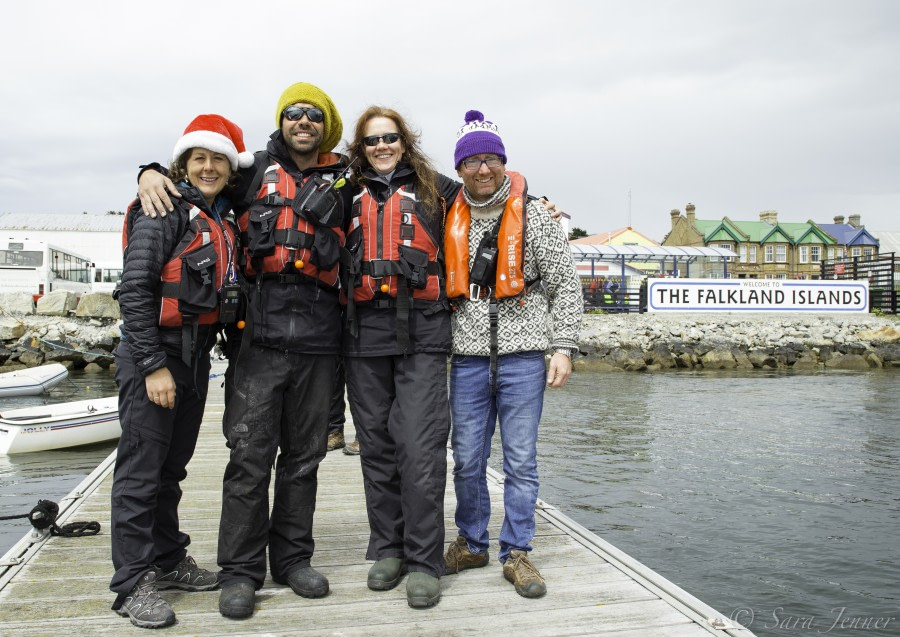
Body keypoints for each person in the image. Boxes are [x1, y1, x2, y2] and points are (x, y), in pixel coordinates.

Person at [137, 82, 350, 619]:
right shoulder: (249, 171)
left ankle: (293, 559)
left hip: (322, 338)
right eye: (293, 114)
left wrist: (527, 194)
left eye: (313, 115)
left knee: (304, 458)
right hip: (257, 339)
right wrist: (148, 170)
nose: (303, 121)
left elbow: (424, 183)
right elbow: (194, 185)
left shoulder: (348, 179)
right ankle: (240, 570)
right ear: (283, 121)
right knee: (249, 459)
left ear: (326, 124)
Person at [111, 114, 252, 628]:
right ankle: (131, 582)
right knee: (139, 471)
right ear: (184, 163)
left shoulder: (223, 216)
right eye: (200, 158)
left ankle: (168, 559)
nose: (209, 167)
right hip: (156, 356)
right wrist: (152, 366)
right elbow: (135, 288)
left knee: (171, 469)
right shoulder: (162, 208)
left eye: (218, 159)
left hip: (194, 358)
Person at [441, 110, 582, 599]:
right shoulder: (444, 214)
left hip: (525, 356)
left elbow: (565, 284)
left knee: (521, 459)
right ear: (458, 169)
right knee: (466, 458)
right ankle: (472, 540)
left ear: (503, 162)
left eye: (490, 159)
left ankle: (517, 550)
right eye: (472, 161)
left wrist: (562, 346)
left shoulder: (536, 215)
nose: (482, 169)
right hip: (467, 358)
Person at [341, 106, 461, 608]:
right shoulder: (343, 189)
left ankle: (425, 560)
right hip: (363, 332)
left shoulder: (440, 188)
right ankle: (387, 547)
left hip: (424, 332)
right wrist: (152, 172)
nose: (382, 147)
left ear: (404, 141)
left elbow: (491, 195)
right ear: (360, 148)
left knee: (420, 449)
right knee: (376, 448)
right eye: (372, 141)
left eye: (390, 138)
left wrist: (528, 193)